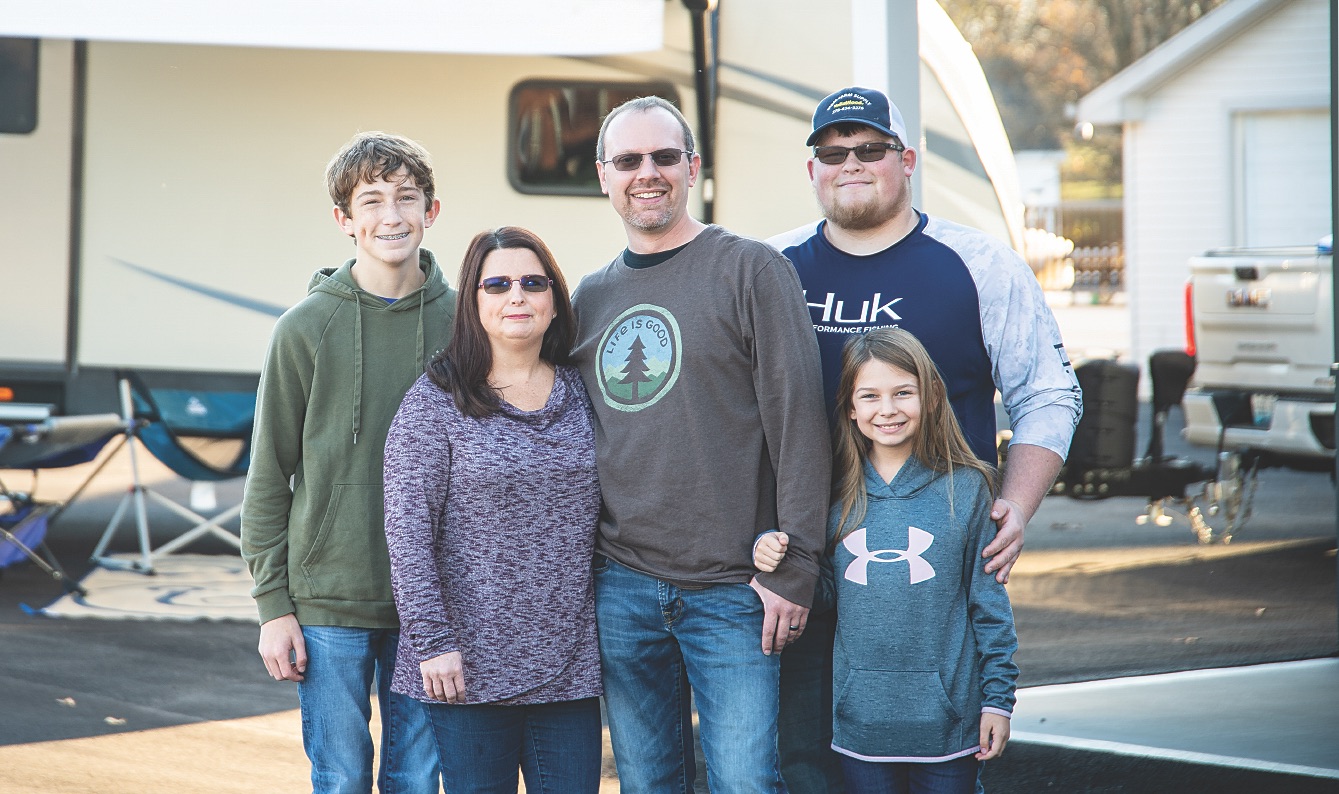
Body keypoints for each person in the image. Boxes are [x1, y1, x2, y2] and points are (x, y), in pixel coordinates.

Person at [767, 86, 1081, 791]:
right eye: (832, 152)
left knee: (934, 768)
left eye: (870, 149)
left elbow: (1049, 393)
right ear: (810, 168)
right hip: (802, 571)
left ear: (905, 160)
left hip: (929, 586)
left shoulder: (977, 264)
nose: (850, 163)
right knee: (805, 767)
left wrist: (1016, 508)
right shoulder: (769, 266)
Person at [570, 95, 831, 793]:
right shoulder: (589, 297)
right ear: (604, 176)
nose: (645, 173)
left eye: (663, 157)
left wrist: (795, 566)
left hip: (735, 589)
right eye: (628, 160)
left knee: (746, 782)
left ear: (691, 167)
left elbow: (800, 423)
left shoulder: (750, 269)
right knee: (647, 783)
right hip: (621, 586)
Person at [240, 131, 451, 794]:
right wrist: (273, 606)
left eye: (406, 198)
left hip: (430, 604)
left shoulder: (465, 322)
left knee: (417, 779)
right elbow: (269, 478)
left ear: (431, 211)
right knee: (340, 777)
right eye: (371, 200)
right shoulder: (302, 329)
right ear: (344, 220)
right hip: (326, 602)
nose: (391, 215)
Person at [382, 227, 603, 793]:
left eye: (534, 283)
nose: (517, 297)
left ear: (555, 301)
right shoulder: (434, 401)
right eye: (497, 284)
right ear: (473, 302)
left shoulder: (586, 392)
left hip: (569, 668)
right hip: (465, 669)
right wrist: (433, 643)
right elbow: (408, 536)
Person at [755, 327, 1018, 794]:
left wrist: (998, 701)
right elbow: (827, 594)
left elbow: (989, 604)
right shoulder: (835, 494)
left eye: (903, 392)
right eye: (870, 396)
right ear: (851, 409)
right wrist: (777, 563)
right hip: (862, 728)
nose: (888, 409)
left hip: (949, 726)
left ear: (930, 396)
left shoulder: (968, 488)